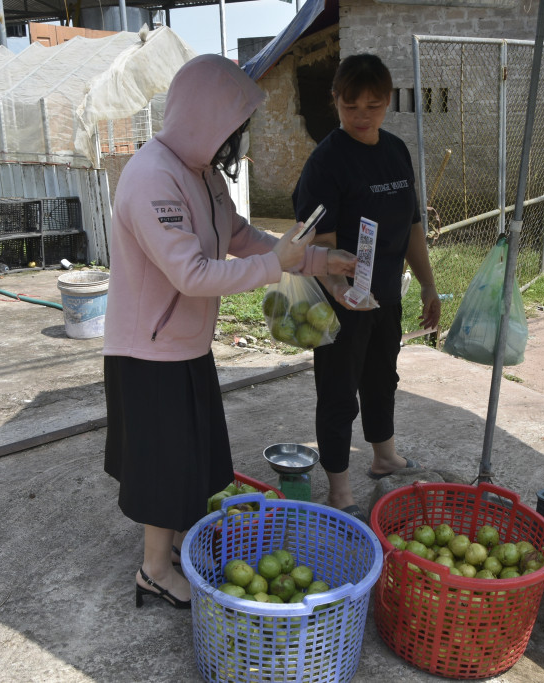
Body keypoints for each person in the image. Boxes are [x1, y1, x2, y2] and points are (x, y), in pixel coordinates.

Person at [103, 54, 356, 610]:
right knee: (164, 465)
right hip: (149, 350)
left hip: (183, 344)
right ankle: (152, 570)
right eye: (231, 127)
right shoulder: (152, 177)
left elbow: (241, 238)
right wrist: (280, 266)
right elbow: (192, 274)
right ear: (202, 117)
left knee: (186, 458)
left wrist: (316, 259)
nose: (236, 141)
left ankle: (165, 550)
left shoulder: (202, 174)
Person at [292, 53, 441, 523]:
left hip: (386, 297)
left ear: (388, 102)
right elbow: (319, 243)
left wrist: (428, 287)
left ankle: (384, 456)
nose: (362, 115)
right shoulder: (326, 163)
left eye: (373, 106)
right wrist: (340, 289)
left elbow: (412, 225)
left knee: (383, 379)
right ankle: (338, 487)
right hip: (340, 302)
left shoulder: (396, 151)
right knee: (338, 391)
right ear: (335, 100)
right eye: (351, 105)